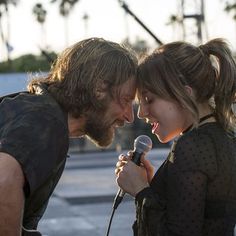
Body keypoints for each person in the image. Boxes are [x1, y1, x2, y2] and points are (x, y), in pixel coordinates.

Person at [0, 37, 137, 235]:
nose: (129, 116)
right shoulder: (45, 122)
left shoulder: (33, 111)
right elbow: (4, 180)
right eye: (125, 100)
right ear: (99, 89)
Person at [115, 38, 236, 236]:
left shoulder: (192, 145)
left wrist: (140, 191)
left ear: (185, 95)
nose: (141, 113)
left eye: (149, 100)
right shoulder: (224, 136)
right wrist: (154, 185)